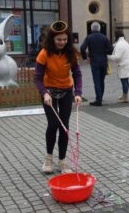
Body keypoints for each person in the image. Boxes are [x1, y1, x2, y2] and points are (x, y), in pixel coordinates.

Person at [34, 20, 83, 174]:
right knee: (54, 124)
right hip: (49, 92)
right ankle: (48, 158)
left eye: (64, 39)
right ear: (52, 39)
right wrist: (44, 93)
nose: (62, 42)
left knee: (64, 126)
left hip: (66, 91)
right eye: (58, 39)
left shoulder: (72, 53)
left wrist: (78, 93)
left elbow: (77, 74)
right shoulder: (44, 54)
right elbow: (37, 78)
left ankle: (62, 161)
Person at [80, 22, 113, 106]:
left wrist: (85, 58)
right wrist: (104, 52)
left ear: (91, 29)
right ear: (99, 29)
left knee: (96, 81)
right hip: (104, 61)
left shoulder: (89, 37)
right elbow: (111, 49)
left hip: (94, 61)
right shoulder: (104, 37)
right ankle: (100, 97)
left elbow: (82, 48)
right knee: (102, 80)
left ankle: (98, 100)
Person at [107, 30, 129, 103]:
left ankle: (125, 97)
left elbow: (117, 57)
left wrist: (107, 56)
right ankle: (124, 95)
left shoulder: (120, 44)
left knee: (124, 81)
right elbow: (114, 46)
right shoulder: (124, 42)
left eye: (114, 35)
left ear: (116, 36)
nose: (113, 37)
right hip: (127, 64)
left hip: (124, 65)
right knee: (125, 80)